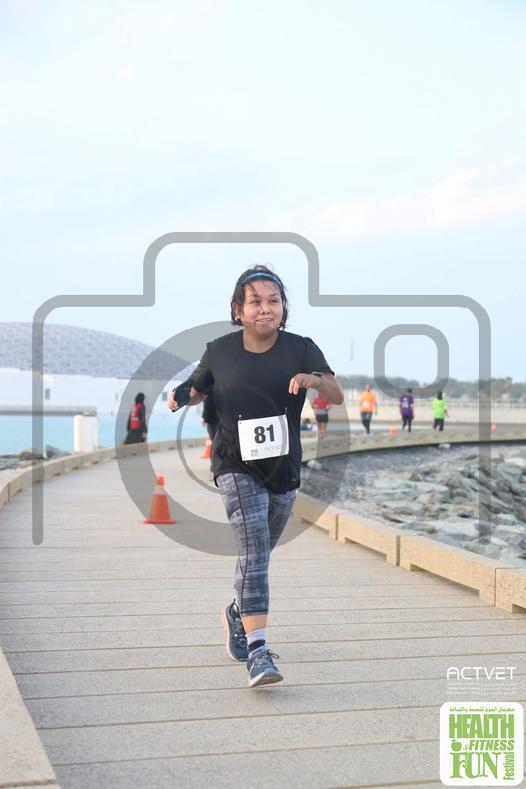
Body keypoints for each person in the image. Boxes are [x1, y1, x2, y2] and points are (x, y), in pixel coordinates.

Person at [168, 264, 343, 688]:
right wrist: (180, 397)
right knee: (253, 549)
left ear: (284, 307)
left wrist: (314, 379)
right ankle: (259, 650)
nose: (266, 309)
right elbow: (198, 388)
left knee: (259, 553)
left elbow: (335, 395)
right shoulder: (220, 350)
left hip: (283, 469)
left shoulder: (301, 348)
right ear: (238, 310)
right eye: (255, 302)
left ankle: (236, 611)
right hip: (235, 463)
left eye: (274, 301)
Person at [201, 388, 219, 479]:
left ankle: (214, 470)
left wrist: (204, 417)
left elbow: (208, 402)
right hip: (222, 419)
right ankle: (216, 469)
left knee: (215, 445)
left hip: (213, 421)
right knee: (219, 445)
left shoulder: (210, 387)